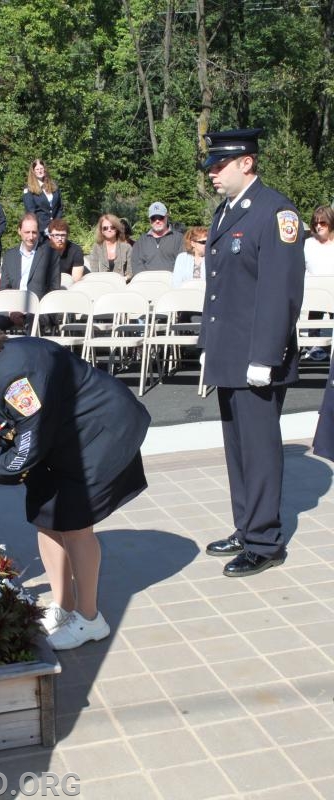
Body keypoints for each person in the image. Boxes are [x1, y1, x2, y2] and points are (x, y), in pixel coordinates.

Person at [0, 311, 151, 650]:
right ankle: (64, 606)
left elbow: (30, 441)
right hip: (56, 441)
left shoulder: (16, 372)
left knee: (74, 524)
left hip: (96, 434)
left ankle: (89, 618)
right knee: (45, 518)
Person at [199, 128, 305, 577]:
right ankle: (246, 527)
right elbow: (219, 290)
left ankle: (265, 540)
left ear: (247, 162)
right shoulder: (227, 212)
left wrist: (265, 355)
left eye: (220, 165)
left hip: (256, 357)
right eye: (211, 167)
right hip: (229, 353)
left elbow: (280, 292)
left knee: (260, 451)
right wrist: (208, 348)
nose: (212, 175)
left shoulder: (275, 212)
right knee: (237, 448)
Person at [0, 213, 60, 299]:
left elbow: (54, 289)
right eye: (27, 232)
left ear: (39, 232)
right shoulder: (9, 256)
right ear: (19, 231)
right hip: (13, 305)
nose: (31, 237)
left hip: (39, 307)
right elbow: (4, 288)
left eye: (34, 232)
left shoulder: (51, 255)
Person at [301, 205, 334, 362]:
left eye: (323, 223)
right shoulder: (308, 244)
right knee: (314, 313)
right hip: (313, 292)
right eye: (315, 223)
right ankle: (314, 346)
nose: (318, 226)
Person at [131, 201, 184, 275]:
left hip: (170, 283)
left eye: (160, 217)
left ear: (166, 217)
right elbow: (136, 265)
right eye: (153, 218)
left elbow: (182, 265)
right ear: (150, 220)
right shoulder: (141, 241)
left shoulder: (179, 239)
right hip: (147, 283)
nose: (157, 221)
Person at [22, 159, 63, 240]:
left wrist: (55, 224)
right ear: (33, 171)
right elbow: (31, 212)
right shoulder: (29, 190)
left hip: (56, 230)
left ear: (45, 169)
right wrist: (44, 228)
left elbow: (60, 207)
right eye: (37, 169)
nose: (40, 171)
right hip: (40, 232)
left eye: (41, 168)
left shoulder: (54, 185)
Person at [89, 214, 132, 280]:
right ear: (101, 231)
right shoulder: (96, 248)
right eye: (105, 228)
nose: (109, 230)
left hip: (121, 284)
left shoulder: (127, 248)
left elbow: (130, 272)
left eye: (112, 227)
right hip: (102, 284)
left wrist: (124, 279)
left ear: (117, 229)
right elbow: (94, 272)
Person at [47, 218, 85, 282]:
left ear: (67, 236)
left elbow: (76, 281)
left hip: (69, 286)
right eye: (56, 235)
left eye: (63, 235)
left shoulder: (76, 250)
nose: (60, 239)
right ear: (50, 236)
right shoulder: (43, 250)